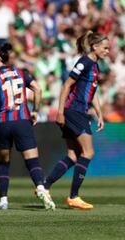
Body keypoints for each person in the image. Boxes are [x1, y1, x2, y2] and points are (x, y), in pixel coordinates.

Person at [0, 43, 55, 210]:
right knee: (32, 160)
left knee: (3, 162)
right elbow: (37, 89)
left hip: (3, 123)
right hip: (23, 121)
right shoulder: (21, 73)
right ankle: (40, 187)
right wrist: (35, 110)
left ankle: (3, 200)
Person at [44, 31, 109, 210]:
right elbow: (66, 85)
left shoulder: (95, 65)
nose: (108, 51)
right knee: (88, 153)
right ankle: (73, 196)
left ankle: (45, 186)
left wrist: (99, 114)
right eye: (105, 47)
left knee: (73, 155)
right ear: (95, 47)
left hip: (78, 111)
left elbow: (92, 91)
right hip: (74, 111)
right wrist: (60, 112)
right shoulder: (85, 62)